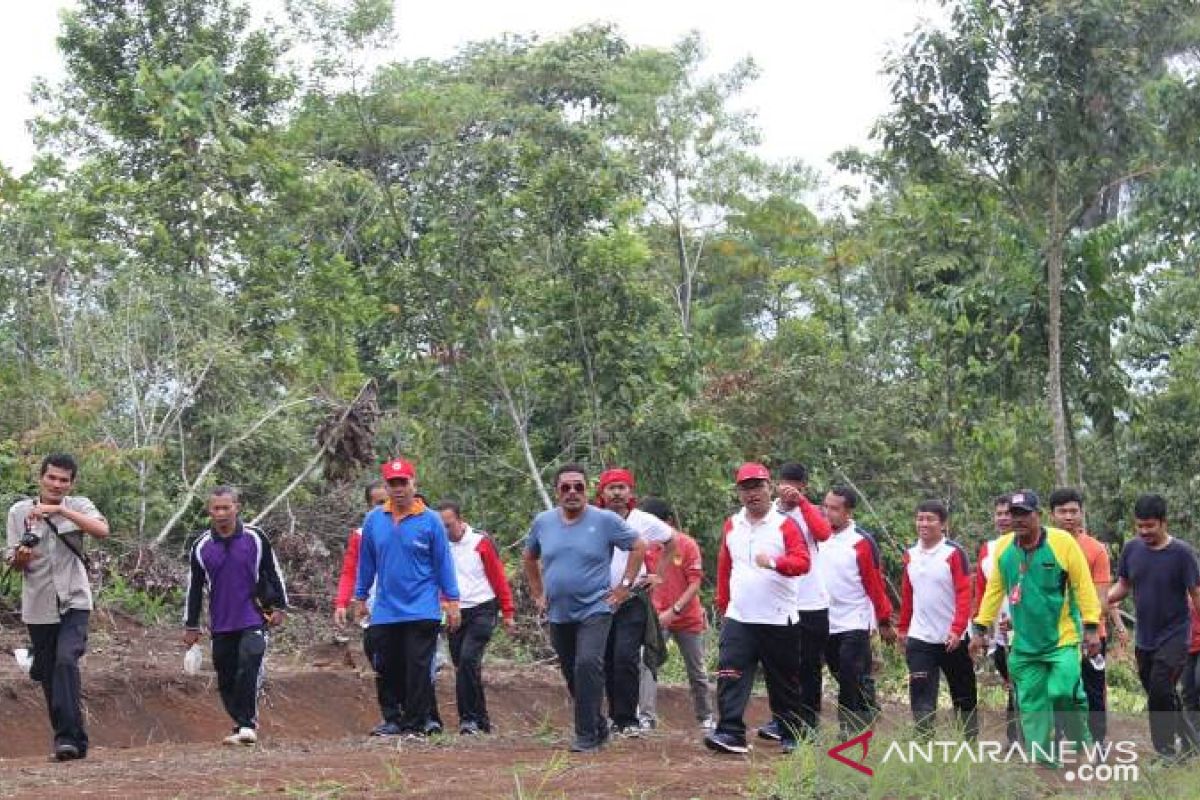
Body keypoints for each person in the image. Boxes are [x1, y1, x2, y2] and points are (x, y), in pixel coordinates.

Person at [970, 490, 1100, 765]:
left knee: (1062, 692)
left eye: (1024, 514)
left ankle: (1079, 736)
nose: (1018, 520)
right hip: (1023, 644)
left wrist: (1091, 627)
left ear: (1037, 515)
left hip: (1061, 639)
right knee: (1032, 705)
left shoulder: (1062, 542)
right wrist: (980, 629)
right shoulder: (1004, 548)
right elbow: (994, 591)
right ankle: (1046, 764)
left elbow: (1083, 585)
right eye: (1013, 514)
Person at [522, 464, 645, 753]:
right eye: (566, 487)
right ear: (557, 492)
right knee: (571, 670)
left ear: (587, 490)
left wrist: (624, 587)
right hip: (559, 612)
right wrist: (538, 593)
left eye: (578, 486)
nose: (573, 492)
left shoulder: (604, 521)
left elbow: (639, 546)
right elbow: (529, 558)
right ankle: (599, 725)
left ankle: (586, 735)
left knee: (588, 663)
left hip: (596, 607)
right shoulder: (543, 522)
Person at [5, 454, 109, 761]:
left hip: (75, 600)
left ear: (71, 484)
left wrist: (62, 510)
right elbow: (15, 560)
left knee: (66, 660)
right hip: (38, 604)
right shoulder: (19, 512)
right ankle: (71, 741)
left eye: (64, 480)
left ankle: (67, 738)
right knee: (50, 673)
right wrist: (23, 553)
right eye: (52, 477)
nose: (57, 484)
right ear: (41, 477)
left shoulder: (78, 505)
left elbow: (102, 530)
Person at [705, 462, 811, 755]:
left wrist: (776, 563)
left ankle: (791, 734)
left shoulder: (785, 525)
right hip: (740, 616)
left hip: (778, 617)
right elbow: (725, 566)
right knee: (730, 673)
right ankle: (730, 732)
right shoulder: (732, 524)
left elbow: (803, 563)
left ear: (769, 488)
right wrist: (724, 605)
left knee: (784, 681)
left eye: (757, 486)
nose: (752, 493)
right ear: (739, 492)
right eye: (746, 488)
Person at [351, 458, 461, 737]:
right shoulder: (374, 520)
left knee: (417, 667)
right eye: (393, 483)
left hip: (422, 608)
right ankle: (392, 718)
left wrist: (452, 601)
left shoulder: (432, 521)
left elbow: (443, 563)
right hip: (386, 608)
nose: (399, 488)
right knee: (386, 665)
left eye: (404, 482)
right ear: (386, 487)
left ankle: (415, 723)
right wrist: (360, 597)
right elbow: (366, 563)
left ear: (414, 484)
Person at [184, 486, 289, 746]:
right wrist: (191, 625)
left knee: (249, 660)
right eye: (215, 508)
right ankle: (239, 721)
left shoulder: (255, 537)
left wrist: (279, 606)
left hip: (254, 615)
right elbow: (194, 588)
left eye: (226, 508)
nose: (220, 513)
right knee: (226, 674)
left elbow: (272, 571)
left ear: (237, 508)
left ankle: (246, 724)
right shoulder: (201, 546)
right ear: (209, 510)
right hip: (221, 622)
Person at [1106, 493, 1200, 762]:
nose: (1144, 531)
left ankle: (1166, 752)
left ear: (1163, 523)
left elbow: (1196, 594)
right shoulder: (1131, 549)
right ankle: (1193, 743)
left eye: (1150, 526)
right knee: (1161, 694)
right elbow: (1123, 585)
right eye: (1140, 526)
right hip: (1145, 636)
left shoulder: (1182, 554)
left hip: (1175, 634)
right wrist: (1103, 601)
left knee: (1160, 689)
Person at [594, 468, 676, 737]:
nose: (617, 493)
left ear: (631, 493)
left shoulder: (644, 520)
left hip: (633, 599)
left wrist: (658, 575)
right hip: (600, 599)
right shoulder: (594, 519)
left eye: (622, 487)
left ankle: (627, 719)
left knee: (625, 657)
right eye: (611, 488)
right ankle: (612, 717)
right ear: (602, 493)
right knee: (605, 658)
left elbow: (671, 541)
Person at [756, 462, 831, 742]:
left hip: (811, 601)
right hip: (777, 601)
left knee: (809, 666)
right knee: (779, 666)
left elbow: (824, 534)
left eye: (795, 485)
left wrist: (802, 503)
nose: (787, 490)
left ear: (803, 487)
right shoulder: (768, 513)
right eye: (783, 483)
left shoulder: (810, 512)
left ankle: (809, 722)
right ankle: (782, 720)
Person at [1048, 487, 1127, 744]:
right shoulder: (1041, 546)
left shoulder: (1095, 550)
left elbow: (1101, 598)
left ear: (1082, 514)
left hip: (1091, 633)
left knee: (1093, 690)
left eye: (1074, 511)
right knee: (1059, 691)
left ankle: (1098, 742)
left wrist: (1087, 628)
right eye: (1062, 511)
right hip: (1052, 636)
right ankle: (1062, 739)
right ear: (1052, 515)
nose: (1068, 516)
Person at [821, 486, 896, 738]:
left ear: (848, 511)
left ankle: (848, 728)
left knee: (850, 671)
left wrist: (884, 620)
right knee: (840, 672)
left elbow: (875, 584)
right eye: (826, 506)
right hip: (824, 618)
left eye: (835, 508)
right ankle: (868, 707)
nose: (828, 513)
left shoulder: (861, 542)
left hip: (855, 618)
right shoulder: (818, 536)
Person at [898, 500, 977, 739]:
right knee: (921, 692)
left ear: (943, 524)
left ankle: (969, 740)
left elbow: (965, 593)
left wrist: (957, 629)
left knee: (963, 692)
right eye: (920, 518)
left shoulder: (953, 554)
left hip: (953, 638)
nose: (923, 523)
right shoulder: (910, 555)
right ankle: (924, 741)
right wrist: (903, 628)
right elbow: (908, 593)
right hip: (920, 636)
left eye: (930, 519)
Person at [438, 500, 515, 735]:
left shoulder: (480, 542)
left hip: (482, 608)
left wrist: (508, 612)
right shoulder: (439, 547)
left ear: (460, 521)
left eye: (448, 525)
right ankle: (482, 720)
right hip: (454, 611)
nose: (445, 531)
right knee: (463, 665)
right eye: (440, 526)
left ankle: (468, 719)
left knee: (469, 660)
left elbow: (498, 577)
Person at [636, 497, 713, 731]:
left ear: (668, 522)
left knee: (697, 670)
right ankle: (646, 716)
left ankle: (706, 717)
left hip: (687, 618)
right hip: (657, 618)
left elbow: (695, 583)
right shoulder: (646, 547)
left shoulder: (686, 544)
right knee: (647, 665)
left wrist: (675, 610)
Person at [332, 481, 399, 734]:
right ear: (369, 506)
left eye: (388, 500)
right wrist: (342, 602)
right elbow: (350, 570)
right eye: (378, 502)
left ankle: (417, 716)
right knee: (380, 661)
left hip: (408, 608)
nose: (385, 506)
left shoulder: (415, 525)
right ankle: (392, 717)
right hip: (372, 609)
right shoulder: (361, 535)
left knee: (409, 662)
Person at [975, 493, 1020, 745]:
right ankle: (1017, 736)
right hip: (997, 630)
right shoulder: (988, 549)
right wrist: (980, 628)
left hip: (1025, 628)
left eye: (1009, 513)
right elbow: (982, 591)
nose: (1003, 519)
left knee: (1020, 681)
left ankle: (1018, 738)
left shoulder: (1029, 545)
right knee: (1011, 681)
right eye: (999, 513)